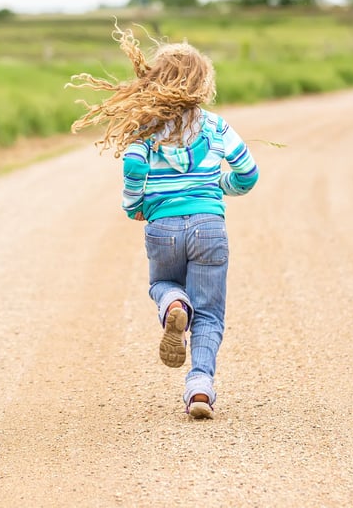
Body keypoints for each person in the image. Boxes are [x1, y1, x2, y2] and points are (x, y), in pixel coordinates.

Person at [68, 25, 259, 419]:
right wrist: (219, 186)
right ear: (203, 84)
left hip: (162, 226)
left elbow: (134, 164)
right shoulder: (215, 126)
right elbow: (248, 174)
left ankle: (174, 304)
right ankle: (200, 386)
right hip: (210, 225)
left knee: (162, 283)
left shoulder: (147, 128)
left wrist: (134, 203)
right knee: (210, 312)